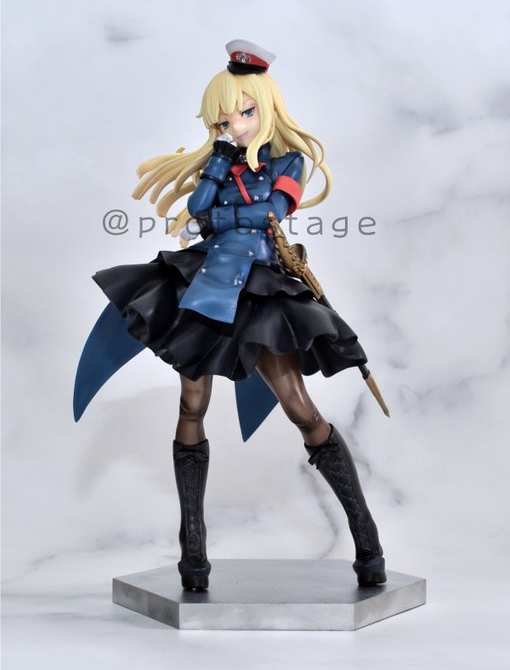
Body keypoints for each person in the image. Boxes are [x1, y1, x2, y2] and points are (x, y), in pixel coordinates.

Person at [88, 40, 386, 590]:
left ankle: (367, 540)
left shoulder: (288, 162)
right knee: (191, 404)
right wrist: (219, 169)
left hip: (261, 288)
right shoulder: (220, 161)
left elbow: (272, 212)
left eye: (245, 113)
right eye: (223, 119)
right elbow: (199, 212)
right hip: (205, 286)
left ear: (265, 108)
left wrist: (223, 216)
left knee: (299, 406)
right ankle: (193, 551)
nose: (235, 125)